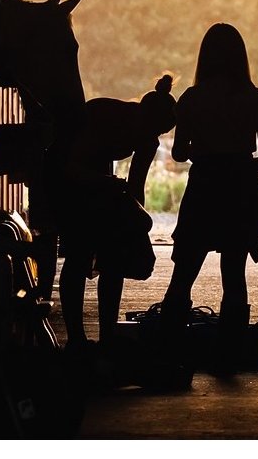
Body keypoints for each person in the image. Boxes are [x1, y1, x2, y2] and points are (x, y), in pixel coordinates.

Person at [158, 23, 258, 373]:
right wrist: (239, 162)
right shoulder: (257, 99)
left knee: (184, 273)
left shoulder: (192, 99)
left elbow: (179, 153)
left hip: (204, 187)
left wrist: (207, 152)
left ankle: (168, 353)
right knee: (234, 275)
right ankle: (229, 357)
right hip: (242, 189)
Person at [56, 75, 177, 352]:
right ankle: (76, 338)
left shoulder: (148, 138)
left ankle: (108, 336)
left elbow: (136, 187)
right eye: (152, 130)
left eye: (158, 133)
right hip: (67, 177)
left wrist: (135, 225)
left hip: (99, 181)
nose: (153, 137)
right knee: (78, 255)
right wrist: (106, 184)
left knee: (114, 258)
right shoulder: (104, 114)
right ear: (142, 115)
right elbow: (71, 166)